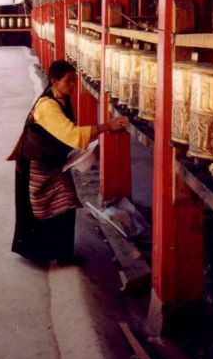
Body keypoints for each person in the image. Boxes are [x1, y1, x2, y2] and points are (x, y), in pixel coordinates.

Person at [8, 59, 128, 266]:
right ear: (54, 81)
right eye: (69, 81)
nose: (73, 85)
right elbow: (72, 135)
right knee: (46, 208)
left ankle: (63, 253)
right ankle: (42, 252)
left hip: (50, 161)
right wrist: (107, 126)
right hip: (35, 163)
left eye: (75, 80)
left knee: (65, 203)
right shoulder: (47, 105)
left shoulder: (62, 99)